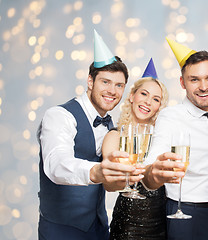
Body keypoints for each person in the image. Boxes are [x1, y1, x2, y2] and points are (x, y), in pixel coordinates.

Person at [37, 30, 143, 240]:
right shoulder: (59, 115)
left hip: (99, 228)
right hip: (61, 229)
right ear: (90, 81)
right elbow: (56, 164)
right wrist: (96, 171)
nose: (112, 91)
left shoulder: (112, 125)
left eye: (119, 85)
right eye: (105, 82)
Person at [142, 38, 208, 240]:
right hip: (185, 213)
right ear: (182, 83)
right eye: (194, 79)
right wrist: (154, 173)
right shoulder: (170, 117)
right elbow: (149, 169)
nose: (204, 86)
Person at [101, 58, 169, 239]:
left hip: (161, 223)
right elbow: (108, 185)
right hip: (128, 224)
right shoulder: (114, 136)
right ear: (132, 96)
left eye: (155, 99)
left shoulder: (161, 139)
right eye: (144, 94)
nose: (148, 102)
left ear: (158, 107)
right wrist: (123, 176)